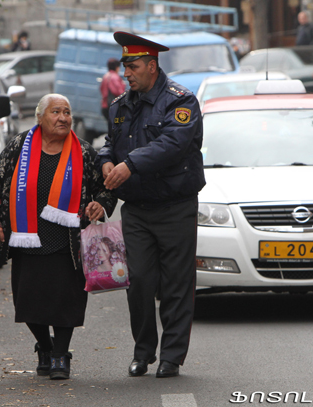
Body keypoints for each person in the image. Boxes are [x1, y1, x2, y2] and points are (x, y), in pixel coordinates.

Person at [0, 93, 116, 380]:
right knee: (28, 302)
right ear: (40, 117)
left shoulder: (83, 151)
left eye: (67, 112)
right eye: (56, 112)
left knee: (66, 301)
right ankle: (45, 346)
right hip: (26, 238)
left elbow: (105, 188)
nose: (63, 118)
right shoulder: (19, 146)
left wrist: (100, 204)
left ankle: (60, 355)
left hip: (68, 242)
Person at [97, 32, 205, 378]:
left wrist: (130, 164)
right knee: (140, 282)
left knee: (176, 284)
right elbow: (109, 145)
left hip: (175, 207)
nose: (126, 73)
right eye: (125, 66)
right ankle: (143, 352)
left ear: (152, 66)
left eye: (133, 66)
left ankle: (172, 356)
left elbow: (172, 144)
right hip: (138, 211)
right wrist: (105, 163)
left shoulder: (181, 101)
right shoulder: (119, 105)